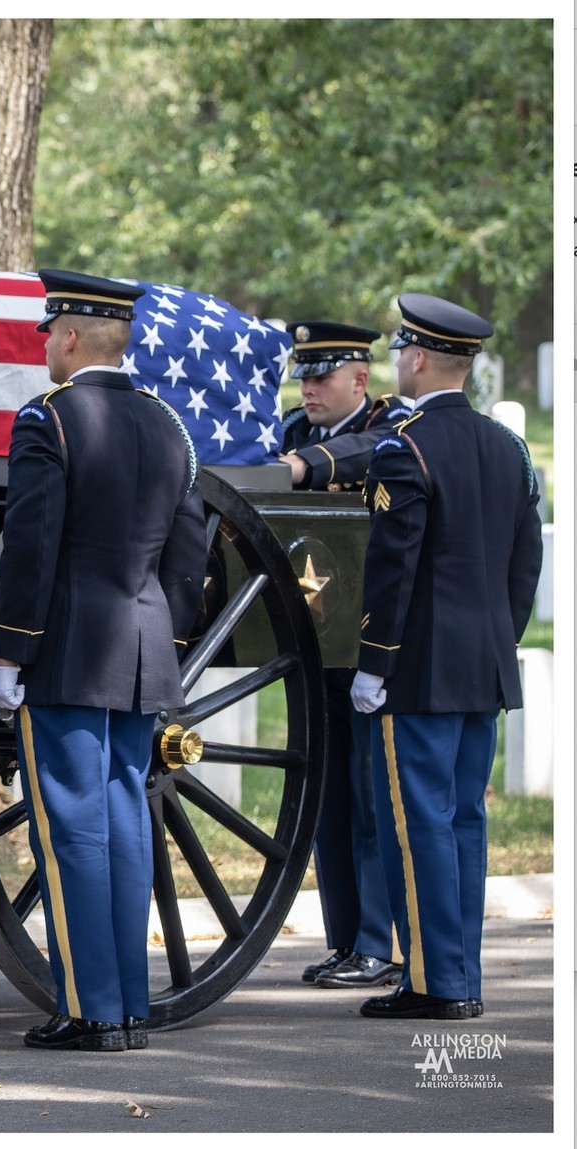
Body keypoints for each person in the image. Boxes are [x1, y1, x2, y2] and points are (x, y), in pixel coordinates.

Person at [0, 269, 205, 1053]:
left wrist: (12, 654)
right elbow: (190, 552)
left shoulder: (51, 419)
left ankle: (90, 1008)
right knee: (121, 820)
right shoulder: (166, 424)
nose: (46, 344)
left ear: (72, 336)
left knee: (73, 828)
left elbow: (34, 549)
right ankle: (127, 1005)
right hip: (142, 648)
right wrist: (165, 635)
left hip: (70, 651)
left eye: (51, 331)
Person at [349, 293, 542, 1021]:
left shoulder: (408, 445)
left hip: (421, 667)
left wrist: (374, 662)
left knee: (420, 822)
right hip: (484, 664)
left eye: (402, 350)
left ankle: (437, 983)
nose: (399, 360)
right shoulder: (510, 447)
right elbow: (525, 566)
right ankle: (458, 973)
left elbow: (393, 566)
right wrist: (499, 637)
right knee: (463, 819)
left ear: (420, 357)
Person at [278, 322, 406, 990]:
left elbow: (374, 452)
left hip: (369, 642)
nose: (308, 388)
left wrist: (311, 467)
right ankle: (347, 939)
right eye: (303, 375)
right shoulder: (297, 432)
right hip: (317, 645)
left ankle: (379, 942)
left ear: (360, 378)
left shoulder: (396, 422)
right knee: (328, 796)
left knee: (368, 791)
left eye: (321, 376)